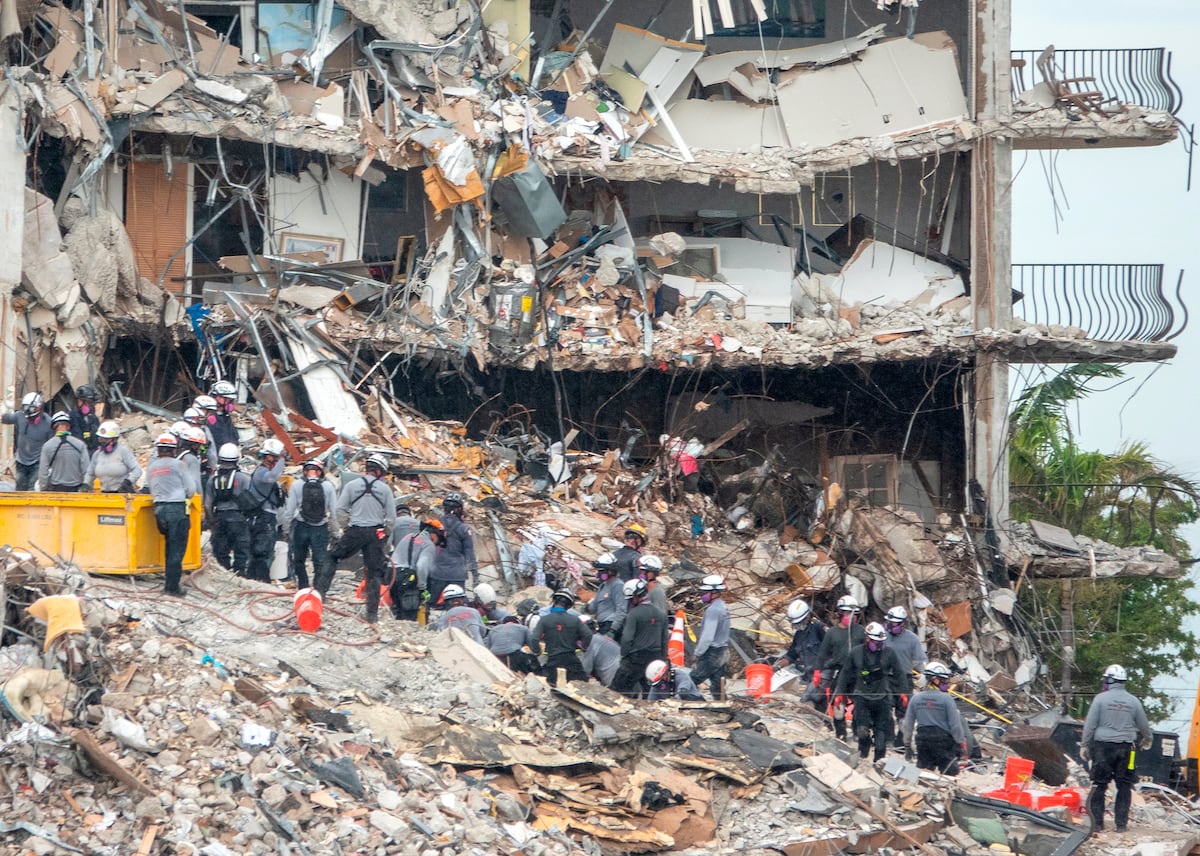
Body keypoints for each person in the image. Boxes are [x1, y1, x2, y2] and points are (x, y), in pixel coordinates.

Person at [325, 455, 396, 623]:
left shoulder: (351, 485)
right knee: (374, 573)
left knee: (332, 557)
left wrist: (346, 527)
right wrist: (384, 533)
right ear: (379, 471)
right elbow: (391, 519)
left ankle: (320, 593)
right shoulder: (385, 490)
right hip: (374, 534)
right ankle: (371, 615)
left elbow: (339, 510)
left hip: (355, 531)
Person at [1082, 664, 1152, 834]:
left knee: (1099, 784)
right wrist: (1148, 738)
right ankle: (1121, 825)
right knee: (1124, 785)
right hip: (1127, 749)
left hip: (1102, 748)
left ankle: (1097, 824)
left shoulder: (1100, 699)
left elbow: (1090, 725)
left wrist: (1084, 744)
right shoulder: (1134, 701)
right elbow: (1144, 725)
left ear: (1110, 680)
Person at [834, 621, 908, 763]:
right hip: (862, 696)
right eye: (876, 642)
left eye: (881, 642)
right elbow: (845, 673)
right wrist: (839, 693)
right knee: (862, 730)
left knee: (881, 735)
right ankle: (863, 755)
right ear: (867, 639)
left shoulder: (889, 653)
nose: (879, 645)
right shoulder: (856, 653)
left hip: (882, 698)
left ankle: (878, 762)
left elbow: (899, 673)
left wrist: (903, 692)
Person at [145, 432, 198, 596]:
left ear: (159, 450)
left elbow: (150, 488)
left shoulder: (152, 467)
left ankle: (169, 583)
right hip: (176, 509)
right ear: (174, 450)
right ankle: (172, 587)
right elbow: (191, 490)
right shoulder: (179, 465)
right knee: (176, 549)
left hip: (159, 510)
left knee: (169, 547)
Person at [900, 661, 968, 775]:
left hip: (923, 740)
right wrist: (961, 744)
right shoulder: (947, 699)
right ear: (936, 680)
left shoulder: (916, 699)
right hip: (943, 741)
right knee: (949, 775)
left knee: (924, 775)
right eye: (944, 680)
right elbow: (955, 726)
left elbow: (908, 725)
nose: (946, 683)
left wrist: (907, 745)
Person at [281, 459, 338, 591]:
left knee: (299, 559)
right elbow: (334, 512)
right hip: (320, 528)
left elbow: (289, 511)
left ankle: (303, 587)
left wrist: (286, 529)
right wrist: (335, 532)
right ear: (320, 472)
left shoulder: (296, 485)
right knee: (319, 561)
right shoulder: (328, 487)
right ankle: (317, 590)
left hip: (302, 526)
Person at [815, 595, 867, 739]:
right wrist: (817, 671)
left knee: (861, 704)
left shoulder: (860, 631)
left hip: (858, 673)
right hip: (841, 672)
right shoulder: (832, 633)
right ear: (839, 613)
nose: (850, 617)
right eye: (847, 613)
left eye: (853, 613)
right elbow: (822, 653)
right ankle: (841, 734)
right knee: (838, 704)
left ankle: (858, 733)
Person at [611, 578, 669, 698]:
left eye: (631, 599)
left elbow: (627, 638)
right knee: (650, 692)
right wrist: (663, 659)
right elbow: (664, 639)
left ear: (636, 597)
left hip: (635, 659)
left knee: (618, 691)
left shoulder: (634, 614)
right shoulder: (661, 614)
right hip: (655, 658)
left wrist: (624, 655)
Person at [205, 443, 252, 577]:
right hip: (238, 518)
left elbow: (207, 504)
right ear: (237, 459)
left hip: (220, 518)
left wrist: (212, 521)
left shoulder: (212, 479)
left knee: (221, 550)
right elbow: (251, 502)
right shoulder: (243, 478)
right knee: (241, 549)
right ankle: (240, 574)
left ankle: (224, 574)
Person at [245, 438, 286, 582]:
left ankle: (253, 578)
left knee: (262, 548)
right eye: (274, 458)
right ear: (268, 457)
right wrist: (282, 459)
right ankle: (260, 579)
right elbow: (272, 477)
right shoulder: (261, 473)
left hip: (265, 516)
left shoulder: (262, 471)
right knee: (263, 549)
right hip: (263, 517)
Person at [530, 590, 592, 685]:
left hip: (553, 660)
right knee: (581, 685)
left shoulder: (544, 620)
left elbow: (534, 638)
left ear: (554, 602)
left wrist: (537, 651)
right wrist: (584, 647)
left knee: (552, 686)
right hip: (571, 660)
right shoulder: (575, 620)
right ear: (568, 605)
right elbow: (588, 635)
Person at [430, 491, 478, 603]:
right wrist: (475, 574)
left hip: (438, 573)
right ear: (458, 509)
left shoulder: (435, 527)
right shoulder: (464, 529)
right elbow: (469, 552)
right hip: (457, 575)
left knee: (432, 605)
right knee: (458, 605)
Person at [390, 518, 440, 621]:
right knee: (410, 614)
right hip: (408, 578)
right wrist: (422, 587)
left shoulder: (409, 537)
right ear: (434, 533)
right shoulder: (428, 544)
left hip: (392, 574)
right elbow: (421, 566)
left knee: (398, 609)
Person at [690, 574, 731, 700]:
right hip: (723, 651)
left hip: (712, 654)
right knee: (717, 686)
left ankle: (693, 702)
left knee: (692, 680)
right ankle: (723, 708)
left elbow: (707, 636)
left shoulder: (713, 610)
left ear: (714, 592)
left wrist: (698, 653)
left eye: (705, 592)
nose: (702, 595)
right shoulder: (723, 607)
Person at [3, 393, 54, 490]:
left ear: (39, 408)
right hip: (21, 461)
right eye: (25, 408)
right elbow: (6, 418)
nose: (27, 412)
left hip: (37, 462)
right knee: (20, 488)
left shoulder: (48, 423)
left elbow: (51, 445)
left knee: (33, 489)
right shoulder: (20, 416)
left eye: (30, 408)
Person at [775, 599, 827, 682]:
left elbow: (832, 650)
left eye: (800, 622)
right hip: (810, 677)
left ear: (808, 616)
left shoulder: (819, 628)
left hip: (824, 676)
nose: (798, 625)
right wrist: (777, 667)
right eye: (796, 624)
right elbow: (791, 655)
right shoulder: (799, 635)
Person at [39, 412, 89, 491]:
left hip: (56, 489)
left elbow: (43, 472)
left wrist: (43, 488)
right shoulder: (80, 445)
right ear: (68, 426)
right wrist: (85, 487)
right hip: (76, 490)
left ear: (54, 427)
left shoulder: (47, 446)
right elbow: (86, 470)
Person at [86, 421, 142, 492]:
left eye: (105, 439)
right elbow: (90, 473)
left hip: (122, 494)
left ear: (114, 439)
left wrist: (128, 482)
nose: (102, 441)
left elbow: (137, 470)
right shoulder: (97, 454)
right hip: (105, 495)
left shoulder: (123, 452)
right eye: (101, 438)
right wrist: (86, 484)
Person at [583, 553, 627, 636]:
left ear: (610, 571)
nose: (598, 574)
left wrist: (612, 630)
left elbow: (621, 609)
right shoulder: (603, 586)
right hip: (601, 626)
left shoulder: (618, 585)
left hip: (610, 626)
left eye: (601, 571)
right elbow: (594, 606)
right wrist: (586, 607)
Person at [207, 380, 240, 450]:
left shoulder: (225, 415)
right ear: (218, 397)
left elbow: (232, 435)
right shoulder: (210, 417)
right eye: (228, 399)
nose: (229, 401)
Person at [69, 385, 101, 453]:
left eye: (92, 404)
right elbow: (77, 438)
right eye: (88, 403)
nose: (91, 406)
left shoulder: (94, 418)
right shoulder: (72, 418)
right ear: (79, 401)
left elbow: (98, 438)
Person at [177, 425, 206, 500]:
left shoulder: (177, 455)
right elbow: (195, 482)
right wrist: (201, 499)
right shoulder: (192, 459)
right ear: (195, 445)